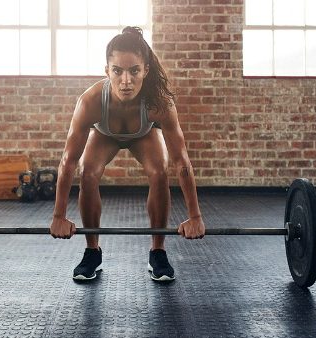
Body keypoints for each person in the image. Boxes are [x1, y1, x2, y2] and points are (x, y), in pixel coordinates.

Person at [50, 26, 205, 282]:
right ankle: (92, 252)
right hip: (104, 135)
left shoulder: (160, 103)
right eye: (117, 71)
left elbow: (181, 161)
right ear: (107, 71)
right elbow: (68, 161)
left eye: (134, 71)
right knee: (87, 173)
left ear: (145, 70)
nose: (126, 80)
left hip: (144, 134)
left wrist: (195, 216)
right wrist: (58, 216)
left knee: (159, 172)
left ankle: (158, 252)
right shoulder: (89, 102)